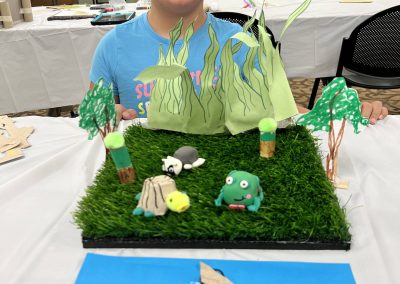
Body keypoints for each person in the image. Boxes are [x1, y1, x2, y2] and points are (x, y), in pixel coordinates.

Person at [89, 0, 388, 124]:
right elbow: (92, 116)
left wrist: (334, 115)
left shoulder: (241, 42)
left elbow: (281, 109)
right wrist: (105, 114)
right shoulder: (113, 46)